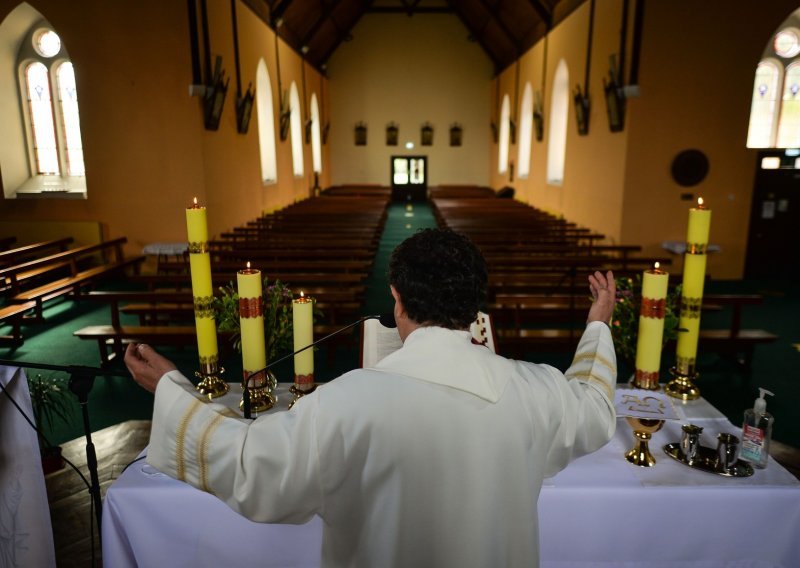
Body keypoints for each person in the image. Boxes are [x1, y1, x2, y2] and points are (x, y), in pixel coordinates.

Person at [125, 228, 617, 567]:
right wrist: (597, 322)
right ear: (475, 310)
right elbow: (593, 407)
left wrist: (173, 389)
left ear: (397, 300)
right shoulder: (537, 389)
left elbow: (253, 466)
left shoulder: (348, 402)